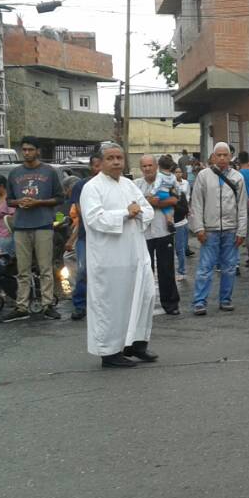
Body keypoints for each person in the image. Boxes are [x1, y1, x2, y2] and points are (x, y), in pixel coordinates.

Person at [80, 142, 158, 368]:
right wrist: (126, 213)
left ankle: (136, 344)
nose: (116, 162)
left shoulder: (129, 185)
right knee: (112, 304)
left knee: (145, 296)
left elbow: (148, 209)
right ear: (101, 162)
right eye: (110, 158)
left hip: (136, 254)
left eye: (119, 158)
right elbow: (95, 219)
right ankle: (110, 352)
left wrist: (138, 212)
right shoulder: (92, 188)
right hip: (110, 260)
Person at [4, 136, 64, 323]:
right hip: (21, 225)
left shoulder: (50, 172)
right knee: (23, 269)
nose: (27, 153)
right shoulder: (14, 173)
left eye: (31, 149)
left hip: (43, 224)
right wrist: (19, 202)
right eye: (25, 150)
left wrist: (38, 202)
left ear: (38, 151)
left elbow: (59, 198)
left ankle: (48, 304)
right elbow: (9, 200)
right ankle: (21, 306)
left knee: (45, 268)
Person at [189, 142, 248, 315]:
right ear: (213, 157)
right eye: (219, 155)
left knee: (229, 267)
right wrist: (198, 228)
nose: (222, 158)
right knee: (205, 268)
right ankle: (200, 302)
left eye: (225, 155)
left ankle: (225, 299)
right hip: (210, 230)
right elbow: (197, 203)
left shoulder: (238, 177)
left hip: (231, 229)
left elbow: (242, 206)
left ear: (230, 157)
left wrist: (242, 231)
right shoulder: (203, 176)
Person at [135, 154, 181, 316]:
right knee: (145, 271)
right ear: (141, 168)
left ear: (156, 166)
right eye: (144, 166)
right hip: (144, 234)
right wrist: (151, 202)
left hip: (163, 231)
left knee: (167, 269)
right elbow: (134, 206)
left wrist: (155, 202)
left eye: (150, 165)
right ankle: (143, 306)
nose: (147, 169)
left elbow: (176, 200)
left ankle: (171, 304)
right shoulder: (135, 185)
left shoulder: (166, 181)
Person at [65, 153, 102, 322]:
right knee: (82, 270)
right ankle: (80, 305)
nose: (99, 169)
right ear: (91, 167)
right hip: (85, 236)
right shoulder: (81, 185)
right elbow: (82, 213)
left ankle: (102, 304)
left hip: (106, 237)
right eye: (96, 165)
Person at [0, 174, 16, 258]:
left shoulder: (8, 199)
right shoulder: (0, 198)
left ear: (1, 186)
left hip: (6, 235)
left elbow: (13, 217)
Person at [173, 166, 190, 282]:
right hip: (174, 224)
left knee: (180, 249)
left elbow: (184, 208)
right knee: (178, 249)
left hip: (181, 224)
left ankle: (182, 271)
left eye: (179, 172)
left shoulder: (182, 193)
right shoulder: (168, 194)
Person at [153, 156, 179, 232]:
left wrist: (151, 194)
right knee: (168, 208)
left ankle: (169, 221)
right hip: (167, 194)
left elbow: (156, 186)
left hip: (159, 193)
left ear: (159, 166)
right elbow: (177, 186)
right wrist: (179, 194)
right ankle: (169, 220)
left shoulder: (160, 175)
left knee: (164, 206)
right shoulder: (173, 176)